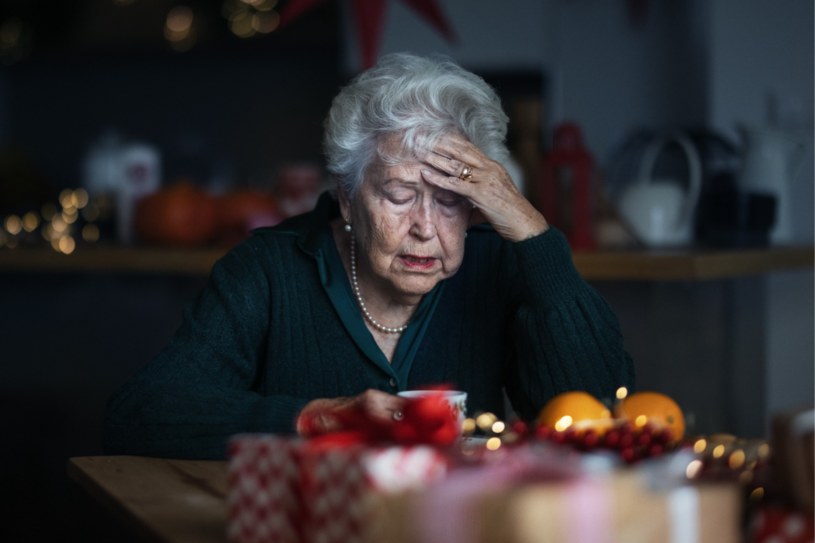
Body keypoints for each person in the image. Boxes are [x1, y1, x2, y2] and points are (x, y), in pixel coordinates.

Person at [104, 53, 634, 459]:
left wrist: (533, 234)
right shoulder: (268, 269)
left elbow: (604, 417)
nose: (426, 227)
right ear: (347, 194)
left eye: (451, 200)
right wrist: (316, 418)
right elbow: (141, 415)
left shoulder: (499, 263)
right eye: (400, 195)